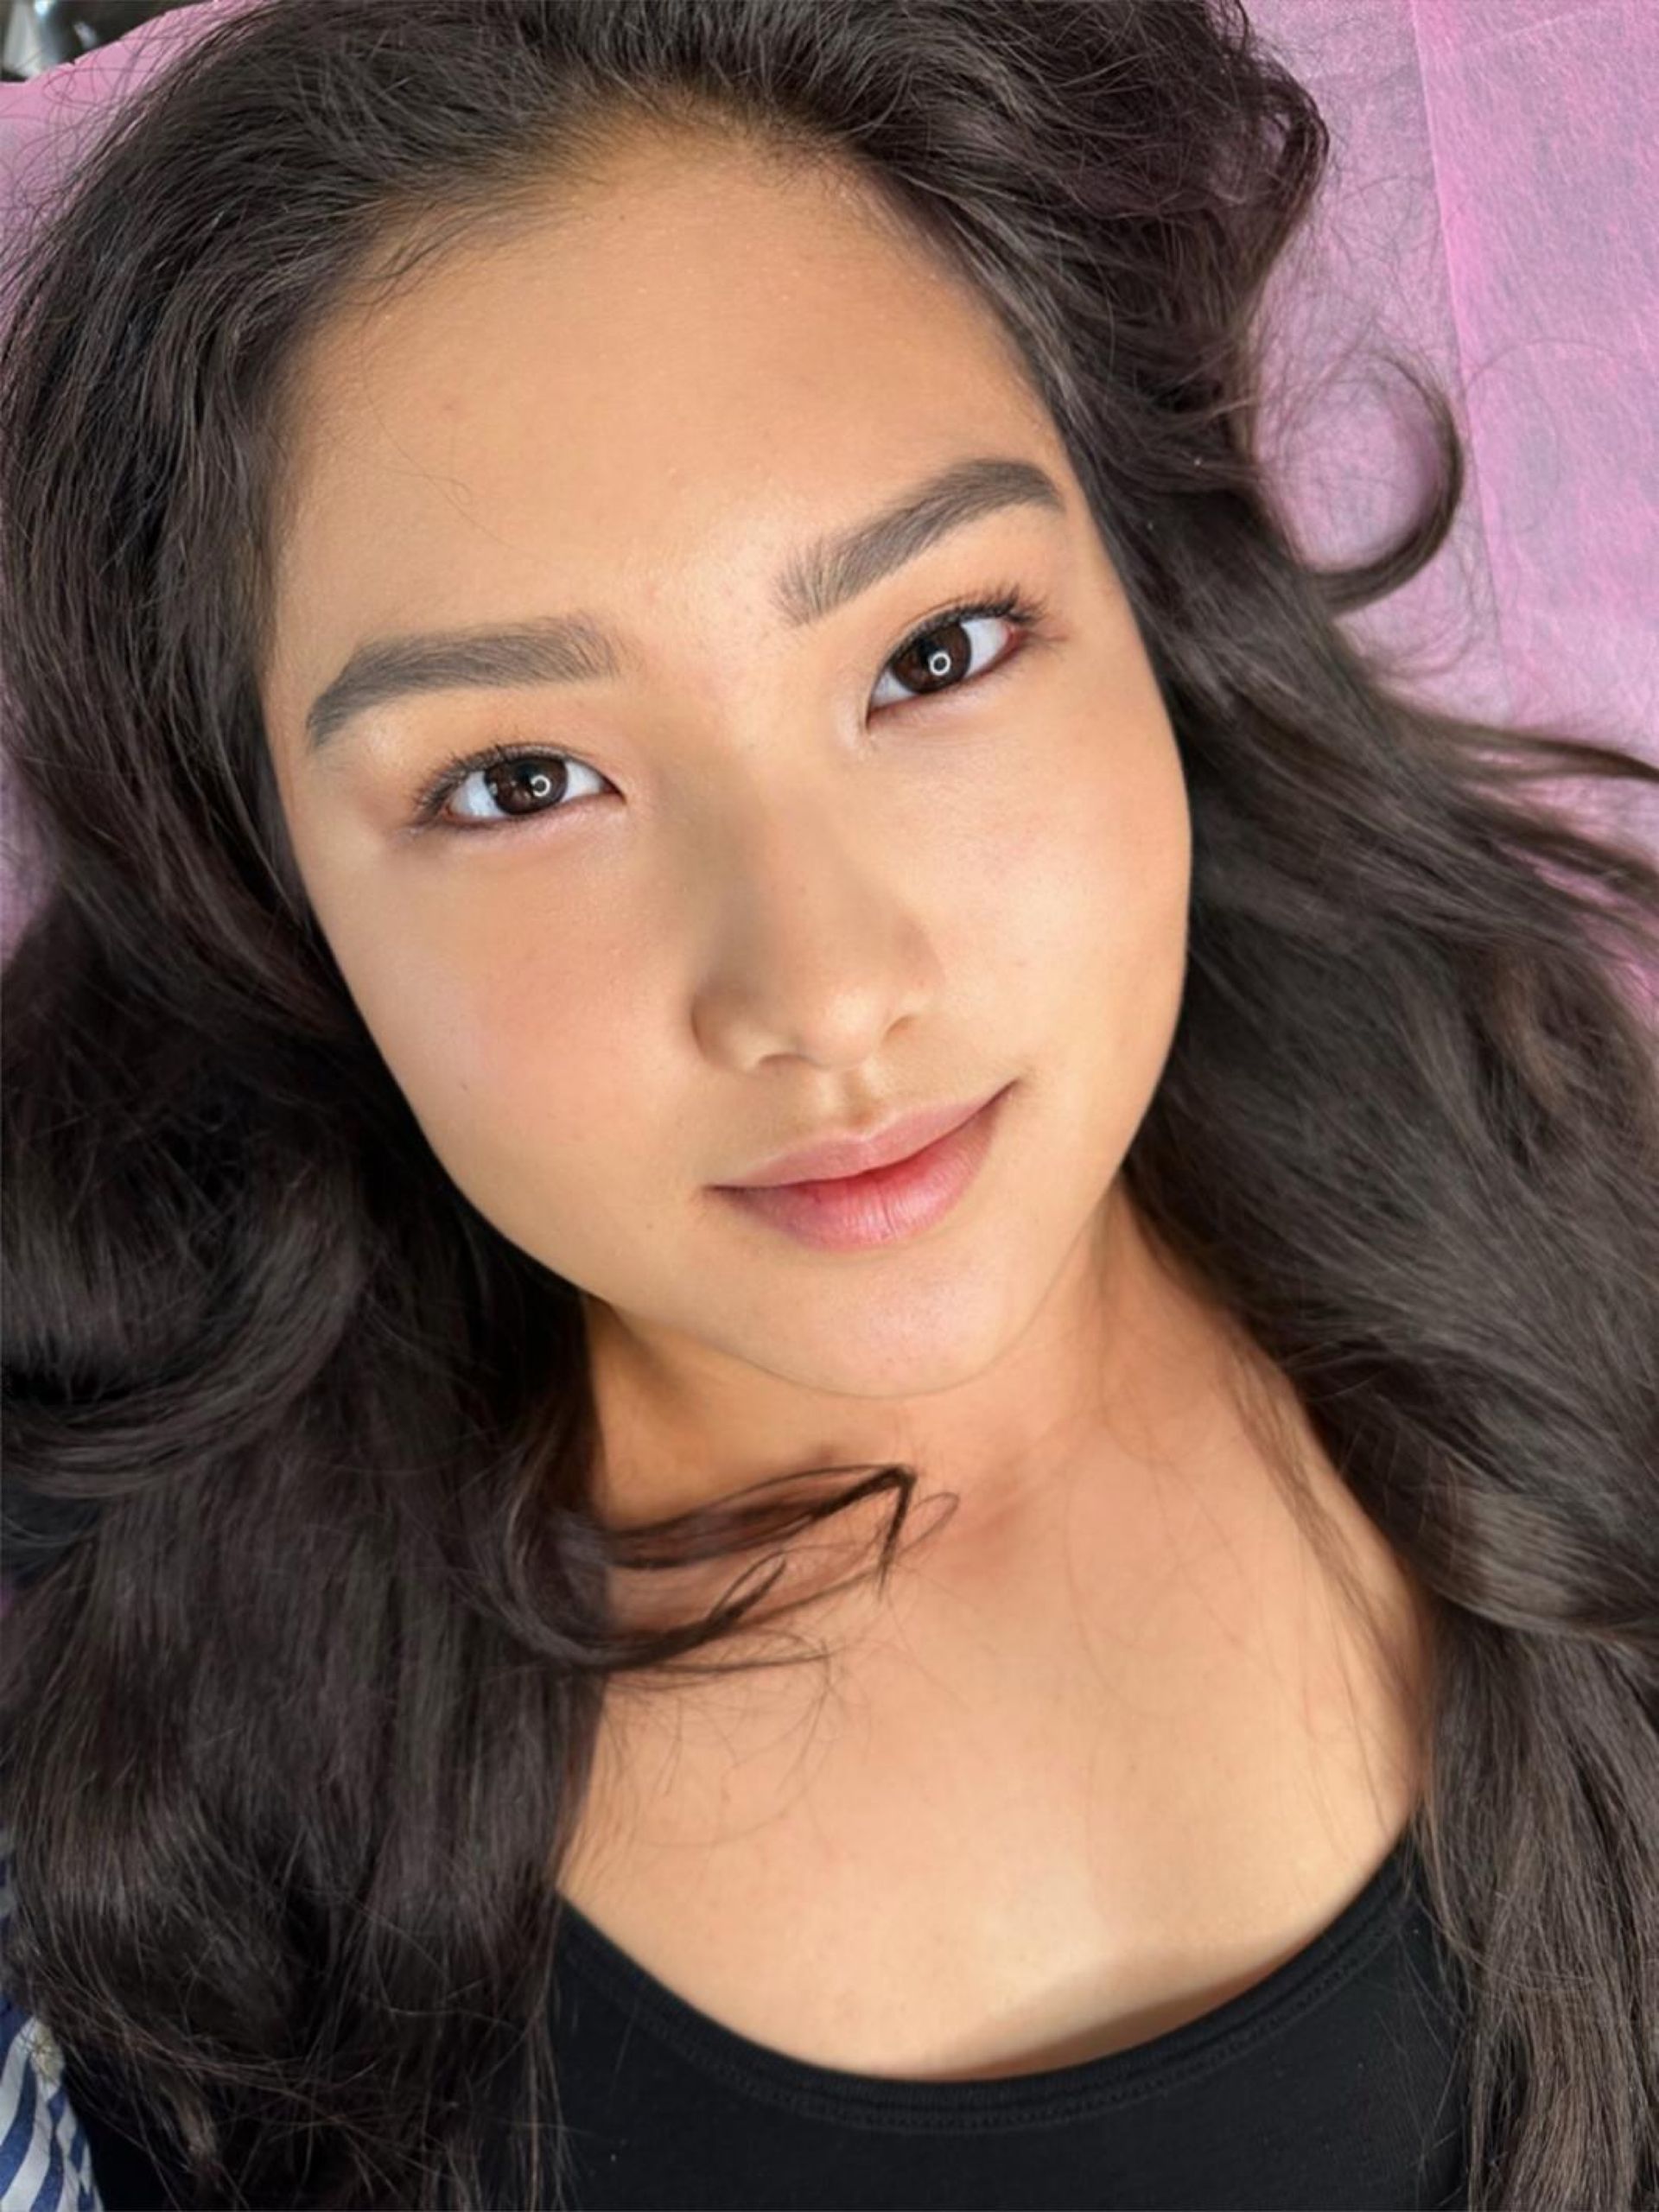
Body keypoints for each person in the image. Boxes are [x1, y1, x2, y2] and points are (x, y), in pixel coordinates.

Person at [2, 2, 1655, 2207]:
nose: (825, 990)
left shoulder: (1570, 1221)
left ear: (1149, 599)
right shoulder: (114, 1733)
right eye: (522, 781)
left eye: (933, 654)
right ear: (269, 869)